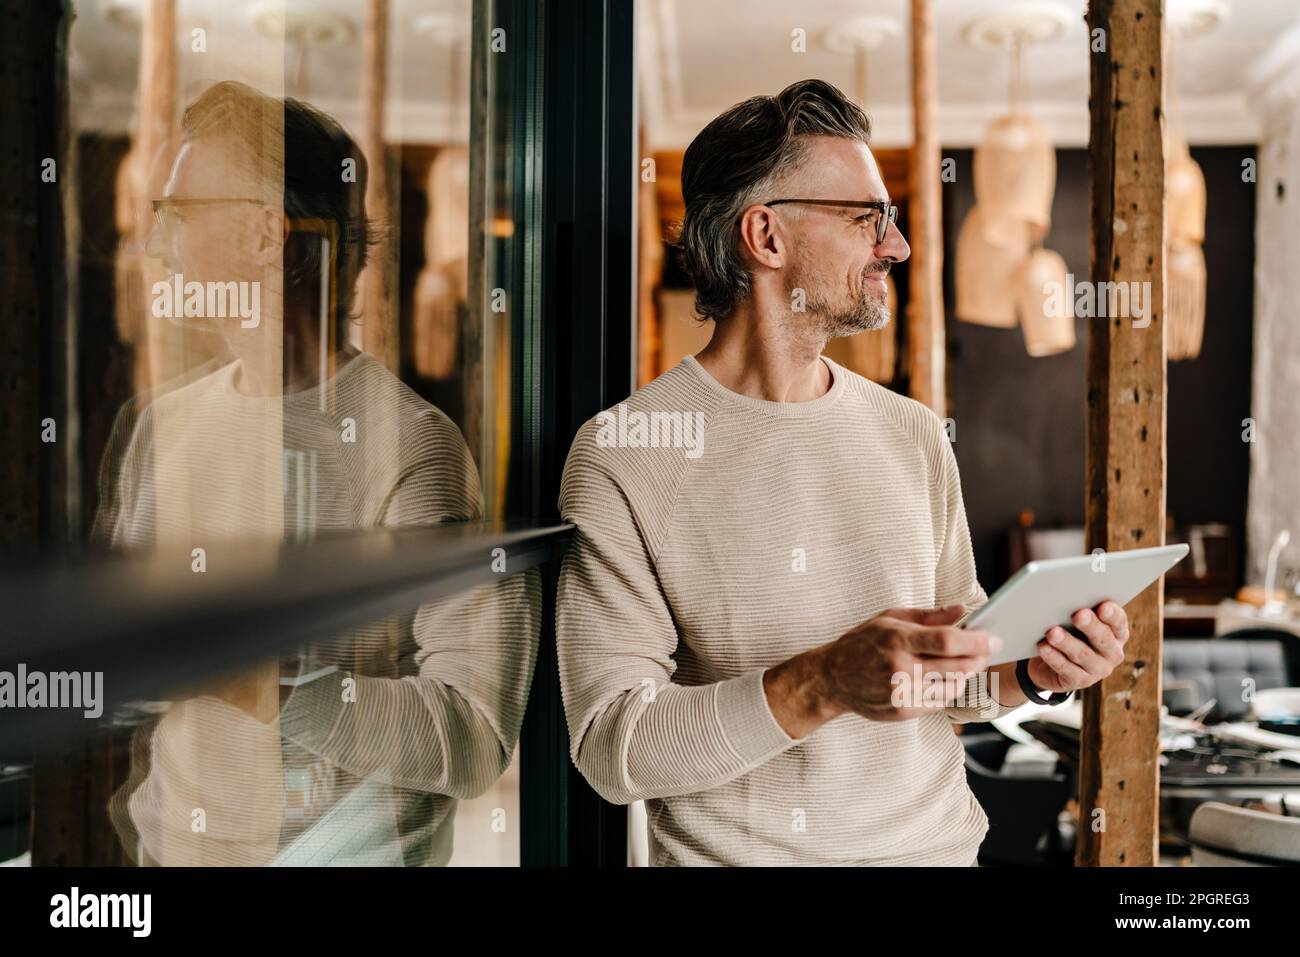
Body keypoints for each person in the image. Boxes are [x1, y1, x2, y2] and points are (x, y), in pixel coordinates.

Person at [556, 79, 1130, 866]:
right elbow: (612, 745)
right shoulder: (624, 453)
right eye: (869, 219)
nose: (894, 246)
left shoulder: (914, 432)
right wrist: (819, 682)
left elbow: (949, 684)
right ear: (765, 235)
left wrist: (1033, 671)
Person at [98, 81, 538, 866]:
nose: (157, 245)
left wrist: (265, 679)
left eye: (178, 214)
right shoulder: (162, 428)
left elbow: (472, 736)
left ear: (266, 235)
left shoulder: (414, 448)